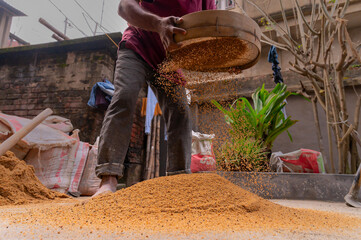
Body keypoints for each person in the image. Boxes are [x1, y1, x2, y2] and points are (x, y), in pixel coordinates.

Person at [93, 0, 216, 197]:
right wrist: (159, 24)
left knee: (181, 113)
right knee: (125, 96)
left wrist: (222, 60)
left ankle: (178, 183)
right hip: (138, 45)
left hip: (170, 60)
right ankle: (108, 179)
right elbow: (124, 7)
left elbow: (209, 28)